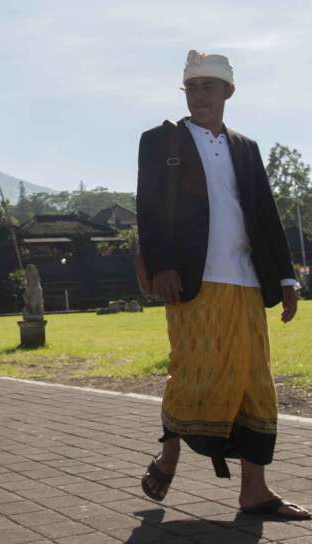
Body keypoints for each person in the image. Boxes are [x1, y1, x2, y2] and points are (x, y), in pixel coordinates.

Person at [136, 50, 309, 520]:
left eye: (208, 87)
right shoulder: (161, 141)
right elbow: (148, 208)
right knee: (193, 373)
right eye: (192, 87)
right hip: (193, 281)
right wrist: (162, 265)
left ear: (227, 92)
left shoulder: (245, 147)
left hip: (247, 282)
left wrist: (286, 277)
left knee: (256, 383)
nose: (199, 95)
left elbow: (265, 215)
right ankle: (168, 456)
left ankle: (254, 492)